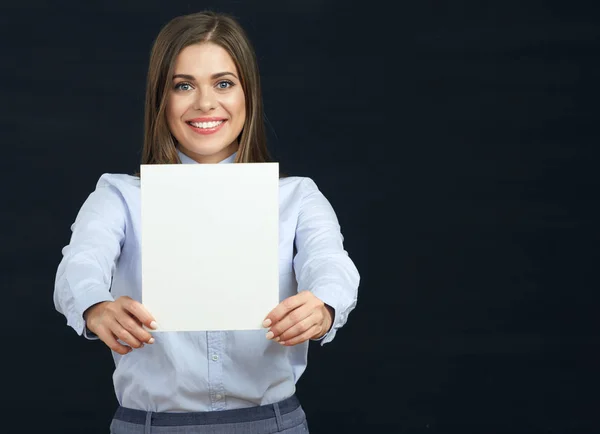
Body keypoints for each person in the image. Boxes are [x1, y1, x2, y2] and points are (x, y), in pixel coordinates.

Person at [53, 10, 359, 434]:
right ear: (161, 98)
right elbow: (80, 262)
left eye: (223, 83)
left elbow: (331, 262)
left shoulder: (296, 196)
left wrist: (324, 304)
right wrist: (94, 305)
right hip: (149, 425)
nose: (205, 103)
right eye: (183, 85)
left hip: (272, 424)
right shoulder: (120, 197)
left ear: (247, 93)